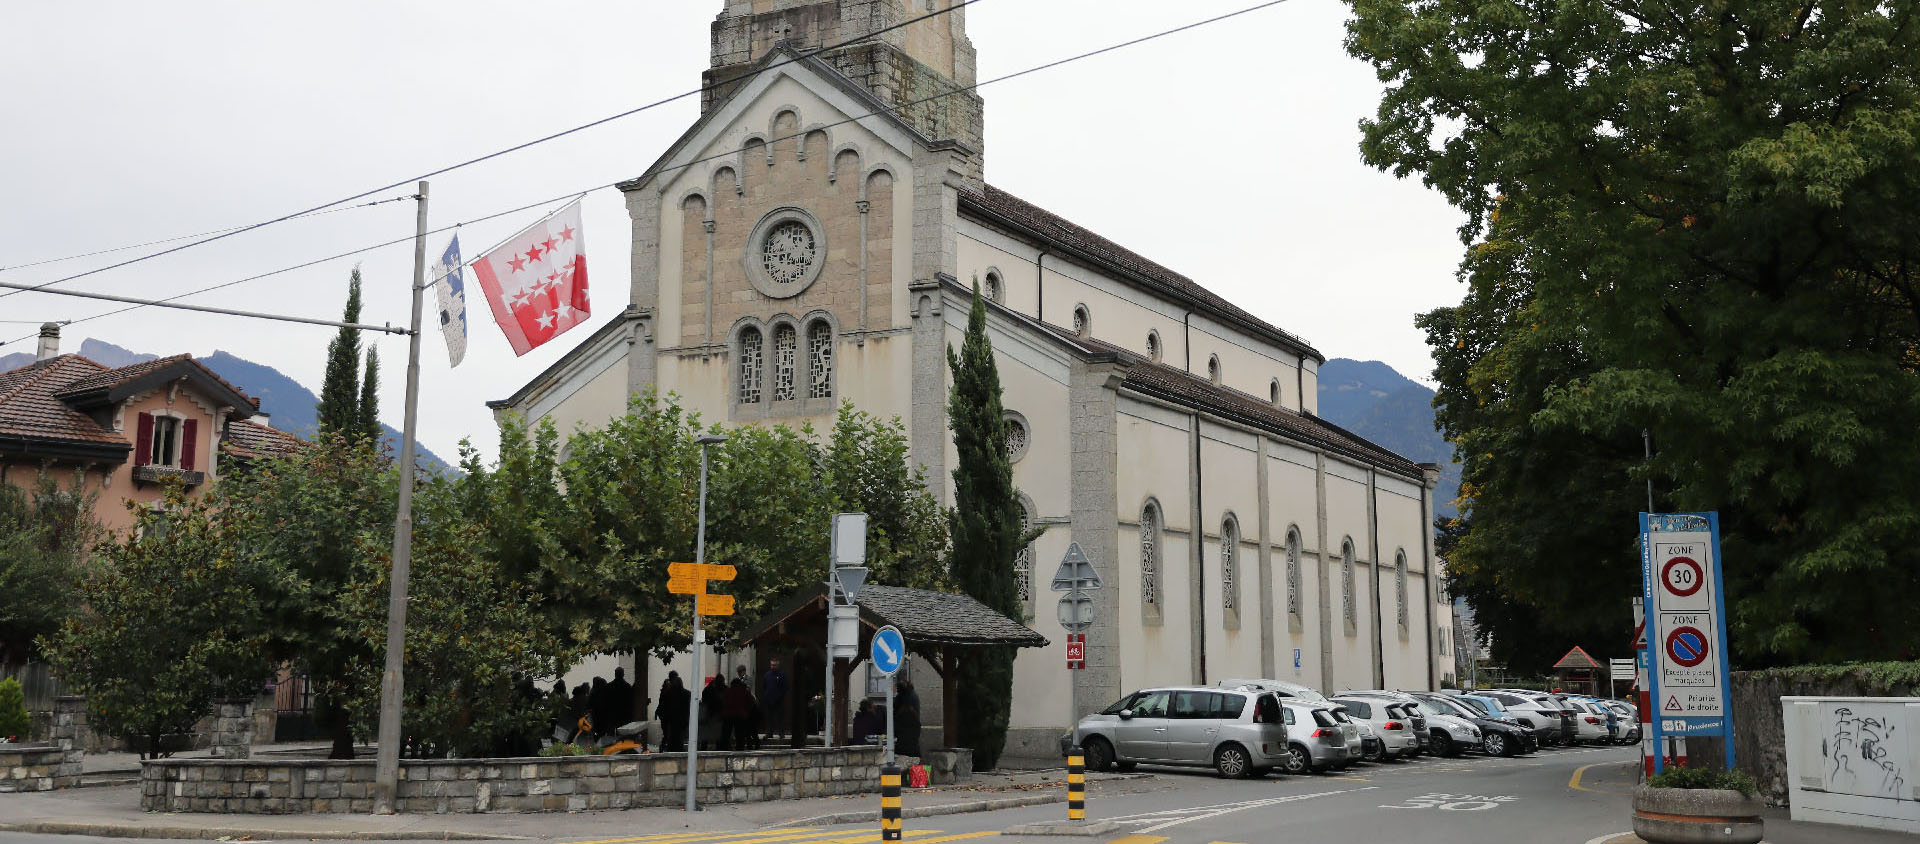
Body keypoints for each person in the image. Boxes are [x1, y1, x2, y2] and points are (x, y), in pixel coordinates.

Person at [656, 672, 690, 753]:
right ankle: (678, 750)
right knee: (679, 738)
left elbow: (663, 705)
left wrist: (662, 715)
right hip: (682, 720)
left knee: (670, 738)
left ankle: (670, 750)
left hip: (671, 720)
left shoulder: (668, 693)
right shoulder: (687, 694)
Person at [722, 675, 756, 751]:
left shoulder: (728, 691)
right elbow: (751, 702)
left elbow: (723, 702)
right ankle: (740, 747)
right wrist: (746, 710)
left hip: (728, 715)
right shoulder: (744, 691)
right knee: (740, 733)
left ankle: (725, 747)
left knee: (727, 733)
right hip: (741, 714)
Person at [761, 657, 788, 743]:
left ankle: (781, 732)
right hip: (768, 700)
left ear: (778, 665)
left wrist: (780, 695)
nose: (772, 667)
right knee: (769, 717)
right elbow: (764, 686)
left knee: (780, 717)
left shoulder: (782, 674)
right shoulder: (767, 675)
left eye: (774, 665)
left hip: (779, 700)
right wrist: (766, 695)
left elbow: (785, 687)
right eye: (771, 665)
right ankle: (769, 732)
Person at [894, 679, 922, 757]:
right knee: (913, 750)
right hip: (910, 727)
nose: (897, 691)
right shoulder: (911, 694)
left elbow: (899, 710)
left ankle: (915, 767)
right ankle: (917, 767)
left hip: (907, 727)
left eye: (898, 689)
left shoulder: (907, 696)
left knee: (907, 750)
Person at [699, 675, 727, 750]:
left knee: (709, 734)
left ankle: (705, 748)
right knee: (717, 734)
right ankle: (719, 748)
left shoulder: (708, 689)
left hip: (712, 714)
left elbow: (704, 701)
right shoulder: (724, 689)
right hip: (715, 715)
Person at [606, 667, 635, 734]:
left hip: (612, 713)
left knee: (611, 733)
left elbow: (606, 700)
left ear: (615, 674)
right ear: (623, 674)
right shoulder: (627, 686)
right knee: (622, 733)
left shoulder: (609, 686)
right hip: (623, 713)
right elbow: (630, 700)